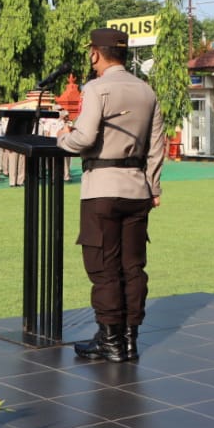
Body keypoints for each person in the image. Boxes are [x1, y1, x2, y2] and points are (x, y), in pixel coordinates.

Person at [56, 28, 164, 364]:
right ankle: (129, 341)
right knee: (133, 267)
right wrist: (153, 187)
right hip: (137, 188)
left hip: (102, 187)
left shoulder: (97, 88)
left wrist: (63, 137)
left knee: (103, 267)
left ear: (95, 53)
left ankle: (111, 341)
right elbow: (156, 146)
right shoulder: (146, 90)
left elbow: (85, 138)